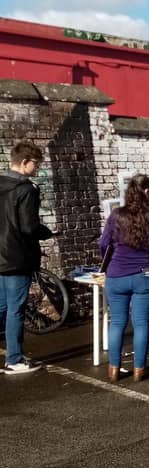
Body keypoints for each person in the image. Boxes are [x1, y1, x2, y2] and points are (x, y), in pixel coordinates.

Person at [99, 174, 149, 383]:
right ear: (147, 192)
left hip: (116, 275)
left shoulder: (116, 216)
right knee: (141, 323)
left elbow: (103, 244)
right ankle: (139, 369)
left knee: (117, 322)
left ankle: (113, 368)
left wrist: (109, 262)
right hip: (143, 275)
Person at [0, 141, 52, 374]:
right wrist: (47, 232)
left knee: (1, 307)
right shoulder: (27, 190)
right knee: (15, 310)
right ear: (24, 162)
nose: (38, 169)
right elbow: (29, 227)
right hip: (17, 257)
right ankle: (14, 360)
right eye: (36, 164)